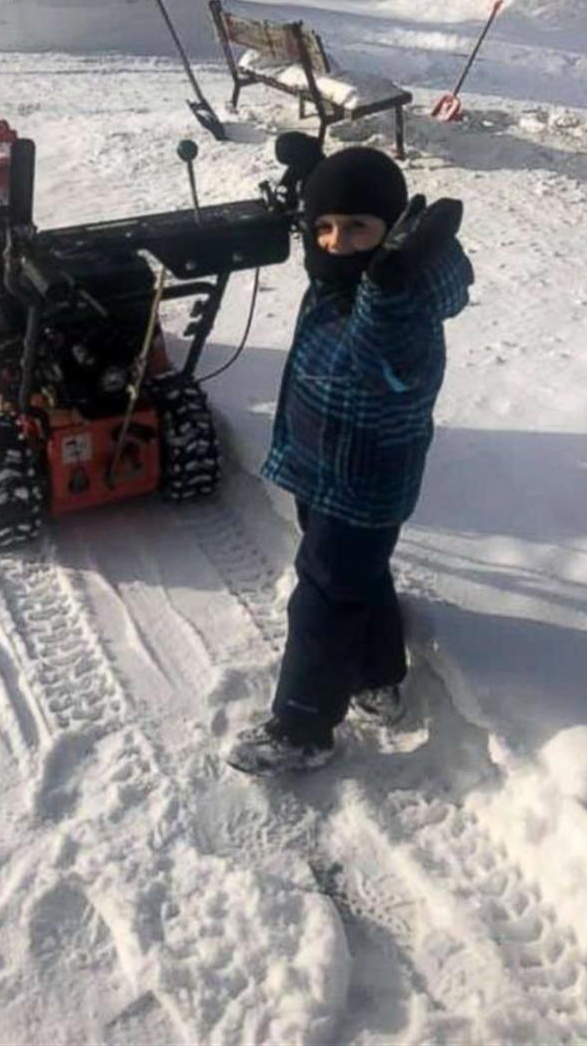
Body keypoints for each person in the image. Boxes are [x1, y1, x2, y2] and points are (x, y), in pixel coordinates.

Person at [227, 145, 474, 776]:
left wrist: (387, 285)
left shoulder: (401, 303)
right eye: (324, 227)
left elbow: (383, 362)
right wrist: (312, 179)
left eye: (358, 227)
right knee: (356, 576)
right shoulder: (343, 279)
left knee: (322, 597)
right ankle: (379, 674)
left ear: (393, 232)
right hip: (322, 465)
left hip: (364, 479)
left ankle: (304, 726)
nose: (336, 243)